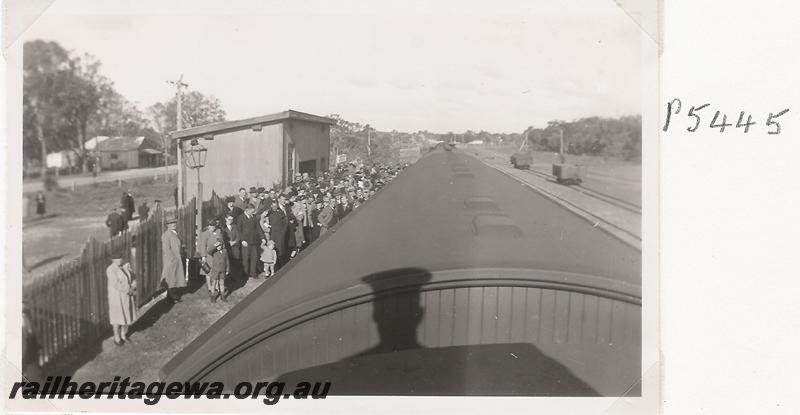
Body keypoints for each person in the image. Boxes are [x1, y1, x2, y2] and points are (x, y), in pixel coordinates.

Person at [106, 251, 136, 346]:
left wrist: (134, 284)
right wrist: (129, 290)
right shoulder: (110, 270)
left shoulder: (126, 266)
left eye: (120, 258)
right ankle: (117, 338)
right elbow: (116, 284)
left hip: (126, 296)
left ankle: (123, 335)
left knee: (126, 316)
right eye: (116, 259)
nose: (119, 260)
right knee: (117, 318)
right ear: (113, 260)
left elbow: (133, 276)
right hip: (117, 298)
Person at [161, 216, 186, 303]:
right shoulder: (166, 235)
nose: (173, 224)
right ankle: (173, 297)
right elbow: (166, 249)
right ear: (167, 225)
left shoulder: (174, 233)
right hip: (171, 260)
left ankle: (169, 298)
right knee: (171, 279)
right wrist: (173, 259)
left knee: (174, 278)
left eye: (174, 223)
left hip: (176, 259)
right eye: (171, 223)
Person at [236, 204, 264, 279]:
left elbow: (258, 228)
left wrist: (263, 238)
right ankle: (245, 274)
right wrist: (242, 240)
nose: (253, 212)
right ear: (247, 210)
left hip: (253, 241)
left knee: (254, 257)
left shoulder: (254, 217)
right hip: (245, 242)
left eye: (253, 211)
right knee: (245, 259)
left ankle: (253, 273)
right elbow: (239, 230)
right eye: (252, 211)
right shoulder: (240, 218)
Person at [267, 198, 291, 265]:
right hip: (272, 234)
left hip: (280, 233)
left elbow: (285, 223)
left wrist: (283, 231)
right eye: (273, 206)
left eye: (276, 206)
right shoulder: (268, 213)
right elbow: (262, 219)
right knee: (273, 248)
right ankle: (275, 264)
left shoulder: (280, 212)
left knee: (281, 248)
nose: (274, 207)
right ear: (271, 206)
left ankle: (282, 263)